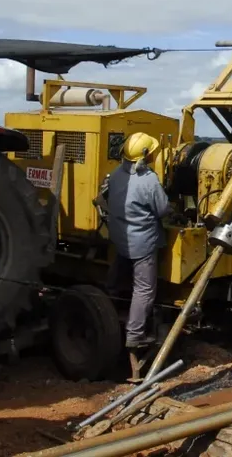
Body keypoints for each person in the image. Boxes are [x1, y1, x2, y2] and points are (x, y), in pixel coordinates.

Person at [104, 132, 171, 351]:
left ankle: (109, 300)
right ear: (143, 156)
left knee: (119, 272)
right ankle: (135, 335)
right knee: (144, 289)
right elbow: (162, 210)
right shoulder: (149, 180)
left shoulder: (115, 174)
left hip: (121, 238)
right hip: (142, 244)